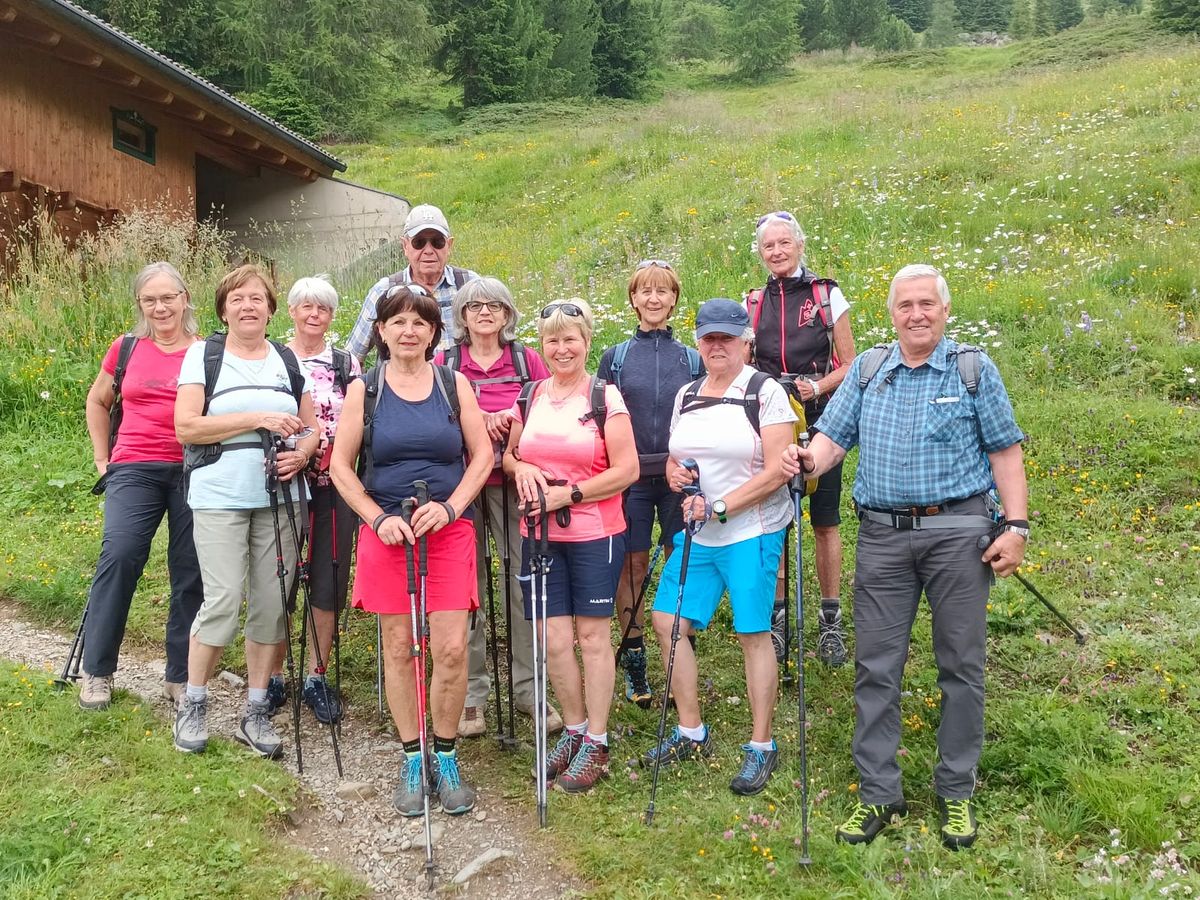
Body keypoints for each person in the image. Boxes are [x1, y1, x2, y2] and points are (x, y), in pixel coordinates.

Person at [782, 264, 1028, 850]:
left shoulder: (973, 370)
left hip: (959, 534)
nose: (916, 314)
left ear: (944, 310)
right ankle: (878, 794)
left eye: (926, 303)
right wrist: (807, 462)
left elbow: (1006, 453)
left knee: (961, 665)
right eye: (904, 305)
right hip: (884, 539)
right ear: (891, 313)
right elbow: (831, 441)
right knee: (875, 667)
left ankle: (956, 792)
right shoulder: (869, 370)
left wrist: (1015, 526)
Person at [330, 285, 492, 816]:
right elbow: (340, 468)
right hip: (388, 533)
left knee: (448, 650)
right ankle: (412, 757)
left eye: (419, 322)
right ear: (381, 331)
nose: (408, 330)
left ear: (433, 333)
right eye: (397, 321)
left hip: (448, 530)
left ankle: (445, 754)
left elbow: (483, 455)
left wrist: (450, 508)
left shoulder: (454, 384)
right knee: (399, 647)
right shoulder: (366, 389)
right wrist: (376, 519)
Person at [639, 298, 795, 797]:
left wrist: (723, 505)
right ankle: (690, 731)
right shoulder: (687, 393)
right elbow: (675, 461)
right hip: (699, 531)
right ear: (699, 341)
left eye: (727, 337)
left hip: (752, 530)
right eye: (708, 337)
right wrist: (673, 473)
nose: (717, 346)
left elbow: (778, 470)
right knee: (667, 622)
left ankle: (761, 744)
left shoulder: (764, 392)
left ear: (746, 342)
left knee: (753, 632)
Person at [172, 264, 320, 758]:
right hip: (219, 495)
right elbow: (187, 427)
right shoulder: (203, 355)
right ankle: (193, 702)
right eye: (237, 298)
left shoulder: (285, 359)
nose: (248, 305)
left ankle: (256, 710)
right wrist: (256, 418)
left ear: (272, 310)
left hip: (282, 498)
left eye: (258, 298)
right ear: (223, 309)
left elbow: (310, 425)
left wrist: (303, 452)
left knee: (273, 603)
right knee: (222, 598)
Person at [503, 298, 638, 792]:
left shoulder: (605, 397)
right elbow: (511, 458)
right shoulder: (531, 393)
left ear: (586, 342)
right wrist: (525, 469)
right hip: (539, 534)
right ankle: (575, 731)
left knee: (592, 639)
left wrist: (571, 493)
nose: (562, 348)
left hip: (594, 533)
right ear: (543, 346)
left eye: (571, 339)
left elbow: (627, 470)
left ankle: (598, 743)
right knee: (553, 640)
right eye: (553, 340)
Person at [432, 277, 563, 738]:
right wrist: (478, 421)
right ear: (461, 316)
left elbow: (551, 411)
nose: (484, 313)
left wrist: (515, 424)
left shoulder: (527, 360)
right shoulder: (444, 362)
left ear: (507, 315)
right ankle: (471, 695)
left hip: (515, 484)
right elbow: (431, 415)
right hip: (462, 486)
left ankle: (530, 690)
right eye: (474, 306)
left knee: (521, 584)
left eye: (494, 306)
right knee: (467, 590)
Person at [79, 261, 203, 710]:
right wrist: (101, 458)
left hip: (195, 468)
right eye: (149, 300)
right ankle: (96, 671)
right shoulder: (126, 348)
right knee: (121, 554)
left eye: (168, 297)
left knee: (190, 568)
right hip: (133, 466)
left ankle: (180, 675)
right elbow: (98, 399)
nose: (160, 307)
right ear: (140, 304)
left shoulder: (207, 352)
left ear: (184, 298)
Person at [749, 211, 857, 668]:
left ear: (799, 245)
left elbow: (851, 363)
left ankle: (829, 621)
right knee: (776, 518)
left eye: (784, 243)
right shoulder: (753, 301)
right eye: (768, 245)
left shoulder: (826, 294)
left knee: (825, 520)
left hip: (821, 417)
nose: (776, 251)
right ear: (760, 252)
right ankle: (777, 623)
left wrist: (818, 387)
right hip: (773, 421)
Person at [597, 259, 703, 710]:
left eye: (663, 291)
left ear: (675, 299)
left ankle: (681, 653)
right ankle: (635, 655)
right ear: (633, 300)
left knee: (685, 564)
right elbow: (600, 419)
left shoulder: (692, 358)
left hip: (681, 478)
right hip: (633, 479)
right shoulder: (615, 357)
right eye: (645, 291)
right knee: (632, 567)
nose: (654, 299)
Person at [269, 275, 363, 724]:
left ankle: (316, 676)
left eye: (322, 308)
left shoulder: (347, 364)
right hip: (283, 485)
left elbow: (359, 424)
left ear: (331, 316)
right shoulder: (271, 358)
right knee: (278, 579)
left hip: (334, 487)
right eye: (306, 307)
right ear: (291, 311)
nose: (313, 315)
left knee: (328, 579)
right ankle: (271, 675)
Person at [345, 204, 479, 360]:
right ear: (405, 246)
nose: (428, 250)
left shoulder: (470, 285)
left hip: (458, 382)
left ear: (449, 245)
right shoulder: (384, 290)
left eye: (437, 242)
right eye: (419, 242)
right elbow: (352, 357)